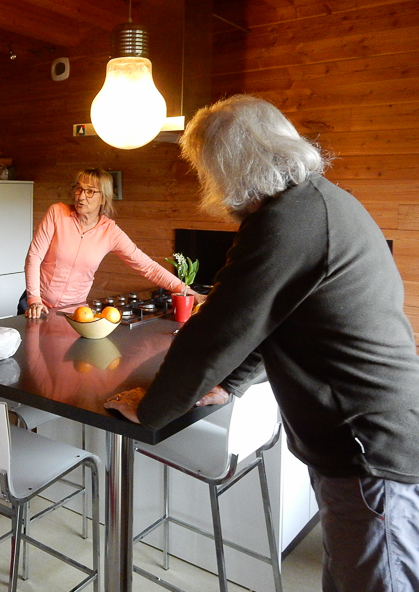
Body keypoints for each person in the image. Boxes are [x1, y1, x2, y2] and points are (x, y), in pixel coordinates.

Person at [104, 95, 419, 592]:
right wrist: (229, 385)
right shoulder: (314, 201)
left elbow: (217, 331)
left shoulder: (288, 220)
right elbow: (271, 320)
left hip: (367, 449)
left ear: (227, 167)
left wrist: (152, 410)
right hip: (363, 445)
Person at [22, 167, 201, 318]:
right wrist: (34, 300)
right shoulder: (57, 213)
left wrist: (188, 291)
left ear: (104, 197)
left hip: (73, 312)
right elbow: (34, 256)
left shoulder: (110, 231)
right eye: (78, 189)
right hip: (37, 305)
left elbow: (148, 267)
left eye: (90, 191)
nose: (81, 196)